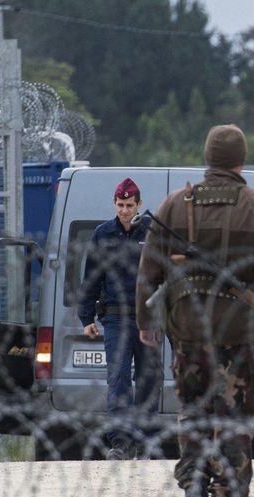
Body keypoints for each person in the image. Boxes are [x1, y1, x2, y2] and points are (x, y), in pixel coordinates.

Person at [135, 124, 254, 497]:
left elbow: (148, 273)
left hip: (188, 332)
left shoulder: (175, 205)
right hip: (240, 333)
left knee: (194, 411)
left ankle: (193, 490)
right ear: (241, 162)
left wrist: (146, 323)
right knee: (233, 418)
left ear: (209, 159)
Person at [78, 177, 163, 460]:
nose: (124, 210)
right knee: (118, 379)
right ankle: (121, 443)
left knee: (149, 379)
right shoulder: (103, 234)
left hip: (148, 318)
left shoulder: (152, 232)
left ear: (139, 205)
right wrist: (86, 316)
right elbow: (92, 276)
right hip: (116, 318)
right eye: (120, 205)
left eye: (129, 205)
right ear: (114, 204)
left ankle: (147, 442)